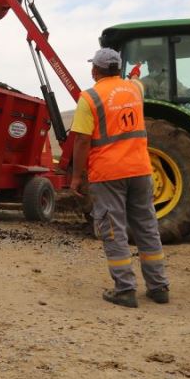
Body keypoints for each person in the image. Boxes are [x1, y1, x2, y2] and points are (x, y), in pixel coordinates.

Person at [70, 48, 169, 308]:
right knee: (147, 227)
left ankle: (125, 289)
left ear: (95, 71)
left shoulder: (89, 98)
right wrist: (135, 71)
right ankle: (159, 287)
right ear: (117, 69)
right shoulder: (135, 90)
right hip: (140, 170)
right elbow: (136, 80)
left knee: (113, 231)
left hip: (109, 173)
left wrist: (76, 177)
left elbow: (81, 140)